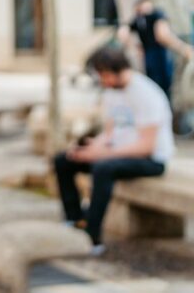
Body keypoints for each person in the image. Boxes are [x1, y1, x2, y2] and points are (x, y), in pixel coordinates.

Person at [53, 45, 174, 256]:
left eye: (102, 75)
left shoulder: (146, 94)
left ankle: (92, 236)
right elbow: (110, 133)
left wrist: (101, 154)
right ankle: (75, 219)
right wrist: (92, 147)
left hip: (152, 160)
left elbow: (146, 147)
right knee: (64, 160)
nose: (101, 81)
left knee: (103, 168)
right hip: (117, 154)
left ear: (114, 70)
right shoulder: (111, 92)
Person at [117, 0, 194, 97]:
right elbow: (163, 35)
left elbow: (122, 33)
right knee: (164, 87)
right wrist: (183, 48)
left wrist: (134, 47)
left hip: (148, 56)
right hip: (159, 55)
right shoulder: (157, 15)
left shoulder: (138, 19)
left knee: (153, 87)